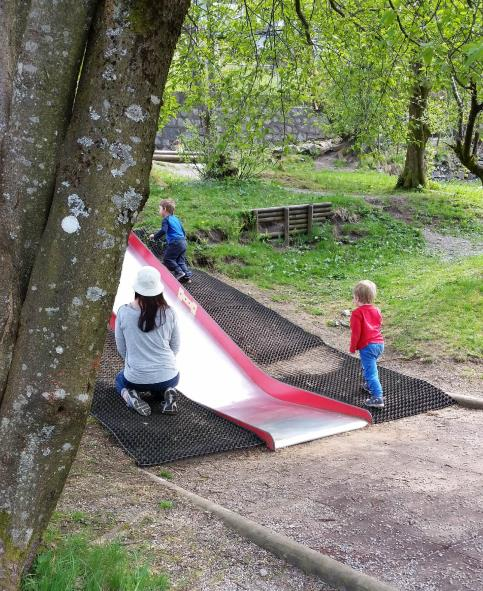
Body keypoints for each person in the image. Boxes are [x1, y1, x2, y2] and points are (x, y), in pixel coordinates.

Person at [115, 266, 180, 416]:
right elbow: (175, 347)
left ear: (137, 288)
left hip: (136, 378)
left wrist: (135, 362)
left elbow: (121, 347)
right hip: (169, 375)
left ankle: (130, 397)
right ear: (158, 289)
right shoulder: (169, 312)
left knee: (119, 379)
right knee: (159, 384)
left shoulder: (124, 312)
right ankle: (168, 392)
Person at [349, 280, 385, 409]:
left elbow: (356, 333)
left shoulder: (357, 313)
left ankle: (378, 397)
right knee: (369, 366)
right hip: (379, 344)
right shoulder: (377, 310)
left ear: (357, 298)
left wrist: (353, 347)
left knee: (371, 372)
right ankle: (370, 386)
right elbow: (378, 324)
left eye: (353, 297)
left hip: (367, 346)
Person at [149, 198, 192, 284]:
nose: (159, 211)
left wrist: (154, 236)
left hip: (175, 242)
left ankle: (179, 272)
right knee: (180, 261)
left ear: (164, 209)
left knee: (168, 259)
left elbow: (164, 231)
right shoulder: (176, 219)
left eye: (160, 208)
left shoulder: (166, 219)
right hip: (183, 241)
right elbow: (183, 231)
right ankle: (186, 277)